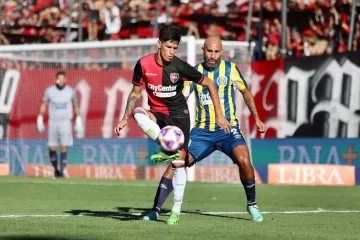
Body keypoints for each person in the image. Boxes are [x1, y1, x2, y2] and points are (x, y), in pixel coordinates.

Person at [113, 25, 231, 222]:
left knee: (178, 164)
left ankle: (175, 211)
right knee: (138, 113)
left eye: (175, 48)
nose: (171, 52)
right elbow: (135, 93)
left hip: (179, 116)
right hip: (158, 113)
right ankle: (166, 144)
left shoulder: (179, 66)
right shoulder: (142, 64)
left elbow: (210, 83)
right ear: (159, 44)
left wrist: (219, 115)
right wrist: (124, 117)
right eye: (169, 47)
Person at [143, 36, 266, 224]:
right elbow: (180, 98)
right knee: (176, 164)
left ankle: (252, 204)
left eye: (216, 52)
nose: (213, 56)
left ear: (222, 52)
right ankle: (155, 210)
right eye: (209, 51)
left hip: (227, 130)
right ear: (203, 50)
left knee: (244, 160)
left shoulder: (231, 69)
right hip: (201, 133)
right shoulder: (194, 73)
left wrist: (256, 118)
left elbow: (246, 93)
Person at [37, 71, 83, 178]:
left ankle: (61, 171)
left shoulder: (70, 91)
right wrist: (39, 119)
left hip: (65, 122)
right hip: (53, 121)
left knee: (64, 146)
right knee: (52, 147)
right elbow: (44, 104)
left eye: (63, 78)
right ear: (56, 79)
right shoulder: (49, 91)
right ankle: (55, 169)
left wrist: (79, 120)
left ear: (66, 80)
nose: (61, 80)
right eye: (59, 78)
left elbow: (75, 105)